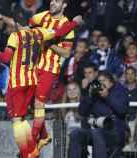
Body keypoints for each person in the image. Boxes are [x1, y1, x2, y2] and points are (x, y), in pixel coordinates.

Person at [0, 13, 81, 158]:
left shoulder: (15, 36)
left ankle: (27, 154)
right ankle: (32, 149)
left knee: (17, 121)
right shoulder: (39, 33)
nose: (9, 28)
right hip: (31, 81)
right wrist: (74, 22)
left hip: (17, 83)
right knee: (22, 118)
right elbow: (60, 32)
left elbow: (6, 57)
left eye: (11, 25)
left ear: (17, 25)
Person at [29, 0, 79, 151]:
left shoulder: (67, 27)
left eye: (57, 1)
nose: (52, 3)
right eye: (51, 0)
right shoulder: (42, 16)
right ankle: (44, 136)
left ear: (64, 5)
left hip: (49, 69)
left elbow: (67, 52)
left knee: (38, 104)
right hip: (33, 66)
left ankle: (31, 145)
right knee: (32, 106)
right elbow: (30, 26)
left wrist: (49, 44)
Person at [68, 71, 130, 158]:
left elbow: (122, 110)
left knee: (96, 133)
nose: (101, 83)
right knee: (75, 133)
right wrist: (89, 95)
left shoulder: (120, 91)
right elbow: (82, 112)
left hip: (115, 132)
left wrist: (107, 96)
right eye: (99, 81)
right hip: (96, 131)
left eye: (104, 80)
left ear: (111, 82)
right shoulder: (94, 95)